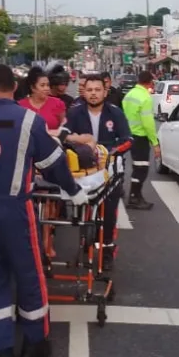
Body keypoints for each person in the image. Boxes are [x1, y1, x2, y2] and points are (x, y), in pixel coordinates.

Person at [0, 64, 88, 357]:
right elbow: (53, 162)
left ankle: (1, 355)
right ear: (16, 87)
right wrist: (73, 191)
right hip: (14, 209)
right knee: (29, 275)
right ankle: (34, 344)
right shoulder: (28, 119)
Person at [60, 74, 132, 270]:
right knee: (83, 207)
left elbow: (127, 139)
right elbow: (64, 135)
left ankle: (107, 250)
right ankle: (85, 243)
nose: (93, 94)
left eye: (97, 90)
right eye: (89, 90)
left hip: (110, 169)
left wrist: (109, 152)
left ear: (105, 91)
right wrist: (79, 145)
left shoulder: (115, 113)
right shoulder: (75, 112)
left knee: (109, 213)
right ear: (84, 92)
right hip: (84, 170)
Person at [122, 71, 160, 210]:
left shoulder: (130, 94)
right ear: (150, 82)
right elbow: (148, 123)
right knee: (141, 169)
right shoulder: (145, 97)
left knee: (137, 167)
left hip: (129, 136)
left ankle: (136, 196)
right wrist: (155, 143)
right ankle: (134, 197)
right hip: (140, 137)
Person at [19, 67, 67, 134]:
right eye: (42, 85)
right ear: (32, 88)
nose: (46, 88)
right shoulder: (21, 106)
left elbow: (64, 127)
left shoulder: (58, 103)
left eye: (48, 85)